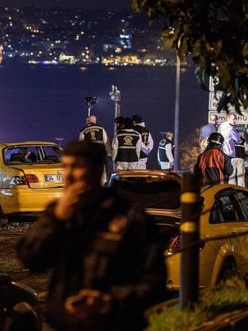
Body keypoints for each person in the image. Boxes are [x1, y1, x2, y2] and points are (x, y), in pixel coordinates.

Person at [17, 141, 167, 331]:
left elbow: (154, 283)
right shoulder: (61, 213)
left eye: (77, 167)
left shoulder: (129, 217)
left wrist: (108, 301)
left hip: (113, 324)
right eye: (65, 167)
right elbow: (31, 258)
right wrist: (57, 219)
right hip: (65, 324)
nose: (69, 175)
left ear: (97, 171)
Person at [79, 115, 111, 182]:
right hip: (100, 152)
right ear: (95, 121)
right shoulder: (101, 128)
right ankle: (104, 183)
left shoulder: (83, 130)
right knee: (103, 169)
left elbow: (80, 143)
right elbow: (105, 140)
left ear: (87, 121)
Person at [218, 113, 242, 185]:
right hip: (228, 153)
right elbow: (238, 139)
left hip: (221, 152)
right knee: (229, 173)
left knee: (222, 172)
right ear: (228, 119)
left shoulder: (221, 126)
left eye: (235, 119)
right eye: (233, 119)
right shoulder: (231, 129)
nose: (235, 121)